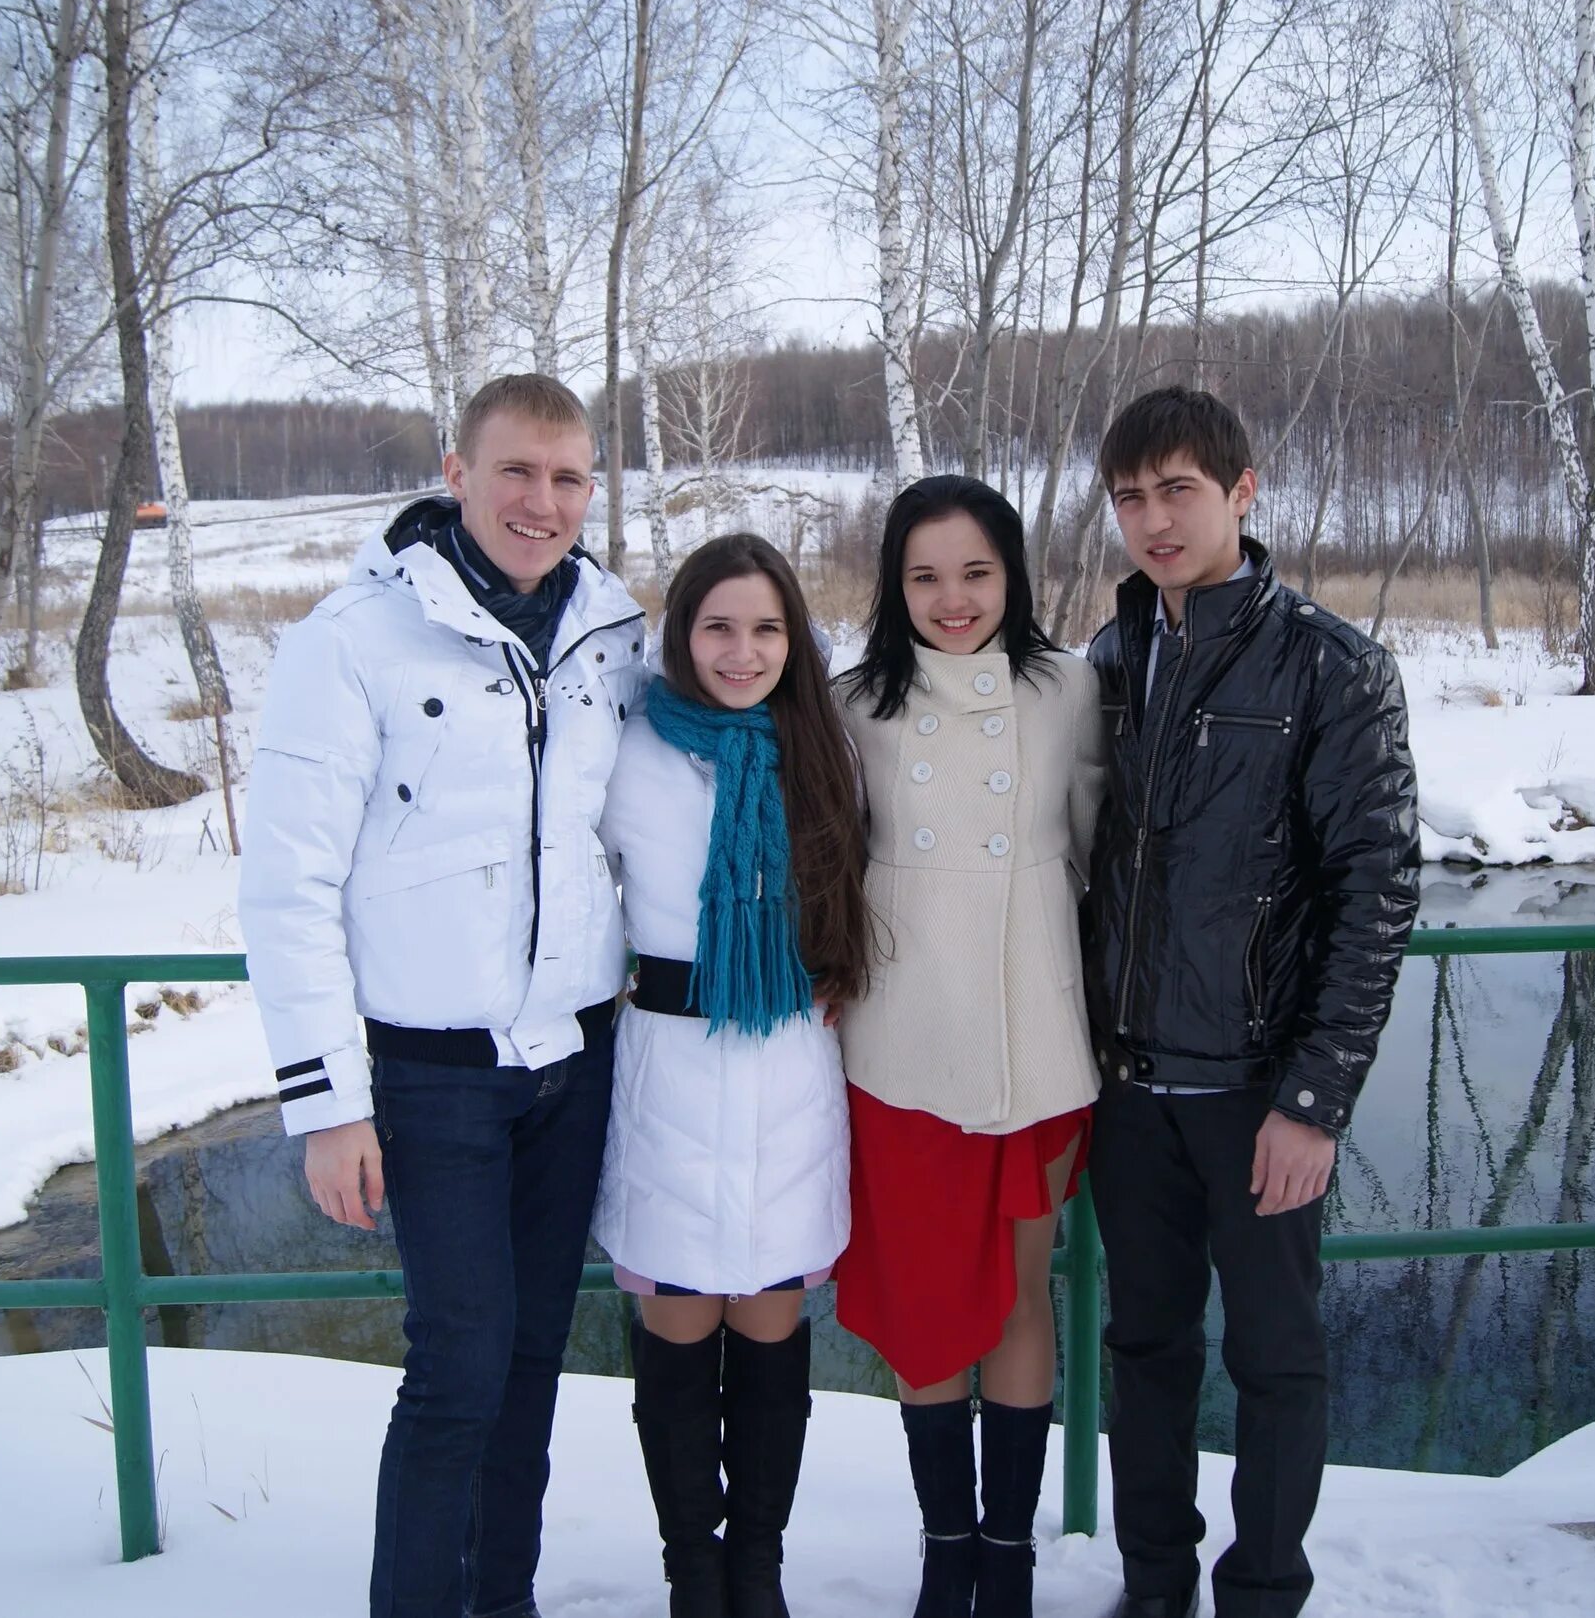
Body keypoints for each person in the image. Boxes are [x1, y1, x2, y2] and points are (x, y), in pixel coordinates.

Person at [239, 374, 647, 1618]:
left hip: (575, 1058)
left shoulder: (612, 634)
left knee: (529, 1362)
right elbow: (288, 886)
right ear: (457, 471)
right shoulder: (352, 639)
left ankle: (502, 1598)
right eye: (516, 472)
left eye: (568, 477)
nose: (542, 502)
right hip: (433, 1076)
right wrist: (326, 1102)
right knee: (459, 1365)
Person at [1079, 386, 1418, 1618]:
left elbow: (1375, 892)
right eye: (1129, 496)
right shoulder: (1108, 662)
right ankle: (1152, 1586)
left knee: (1275, 1360)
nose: (1153, 520)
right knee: (1142, 1353)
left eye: (1178, 490)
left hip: (1256, 1096)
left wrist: (1314, 1101)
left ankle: (1263, 1591)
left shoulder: (1331, 666)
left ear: (1240, 491)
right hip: (1127, 1095)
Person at [829, 476, 1108, 1618]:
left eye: (976, 572)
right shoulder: (852, 704)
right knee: (922, 1297)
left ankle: (1010, 1558)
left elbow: (1099, 854)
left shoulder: (1068, 689)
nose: (953, 599)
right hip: (901, 1043)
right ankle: (947, 1551)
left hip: (1034, 1035)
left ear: (1014, 575)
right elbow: (828, 866)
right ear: (895, 587)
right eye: (925, 576)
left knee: (1021, 1290)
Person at [590, 533, 873, 1618]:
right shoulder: (631, 745)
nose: (742, 651)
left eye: (764, 628)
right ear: (682, 633)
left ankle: (756, 1567)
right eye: (718, 626)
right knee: (675, 1329)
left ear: (792, 637)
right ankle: (690, 1571)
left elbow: (864, 889)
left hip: (791, 1062)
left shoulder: (825, 748)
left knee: (766, 1326)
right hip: (666, 1063)